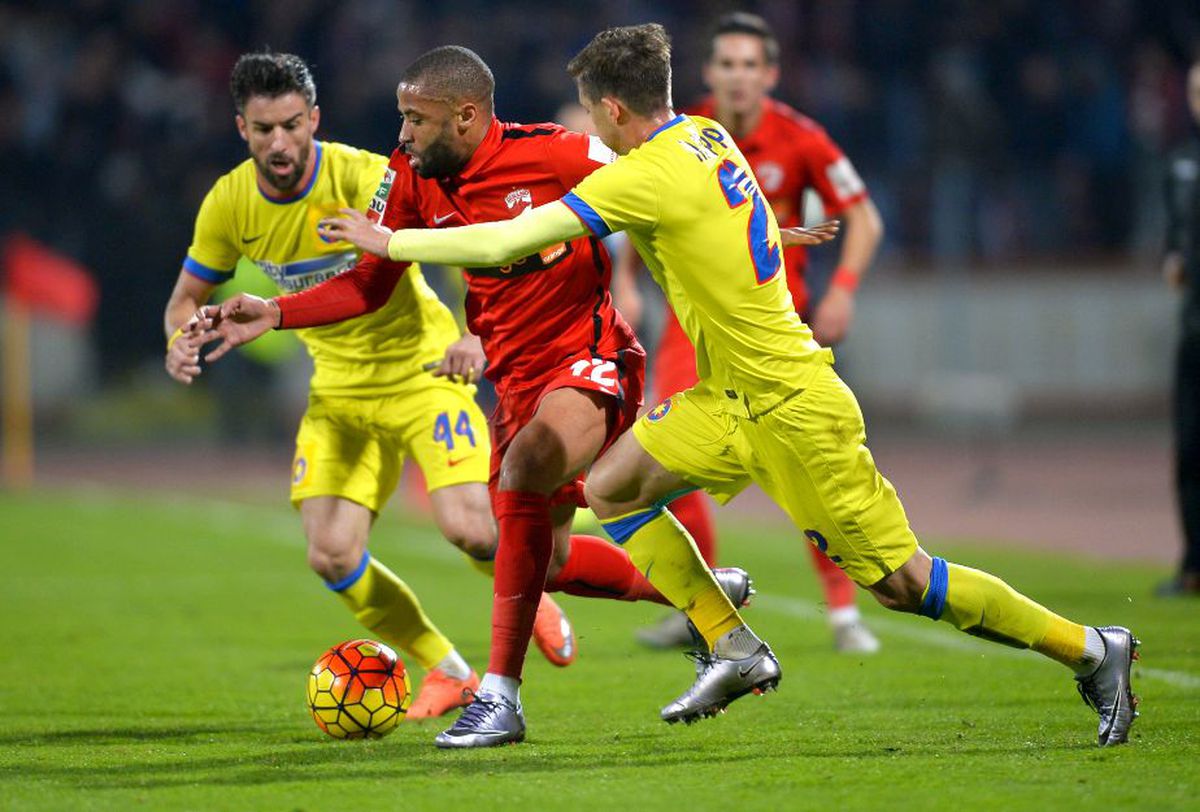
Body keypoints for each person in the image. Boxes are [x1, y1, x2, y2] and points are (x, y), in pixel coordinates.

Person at [297, 24, 1141, 749]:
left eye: (591, 111)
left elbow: (501, 242)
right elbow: (714, 214)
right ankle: (733, 646)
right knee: (615, 487)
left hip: (793, 403)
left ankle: (1091, 649)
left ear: (612, 109)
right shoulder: (705, 136)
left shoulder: (642, 173)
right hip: (726, 398)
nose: (589, 126)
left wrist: (388, 242)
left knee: (904, 584)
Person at [189, 45, 762, 749]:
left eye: (416, 119)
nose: (401, 134)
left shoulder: (552, 153)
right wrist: (276, 311)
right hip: (515, 384)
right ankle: (707, 596)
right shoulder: (408, 175)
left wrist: (738, 229)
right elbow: (369, 284)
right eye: (401, 117)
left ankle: (498, 697)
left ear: (464, 116)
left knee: (521, 477)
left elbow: (663, 178)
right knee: (545, 559)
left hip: (591, 357)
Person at [162, 51, 579, 720]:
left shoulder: (366, 176)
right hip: (338, 393)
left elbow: (464, 237)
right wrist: (179, 337)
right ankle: (449, 671)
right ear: (242, 129)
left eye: (291, 125)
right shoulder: (229, 203)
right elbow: (186, 298)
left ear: (314, 119)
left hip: (422, 371)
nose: (279, 143)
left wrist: (475, 334)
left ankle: (538, 587)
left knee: (473, 530)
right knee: (330, 555)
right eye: (264, 129)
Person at [618, 11, 884, 653]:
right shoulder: (684, 133)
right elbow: (628, 206)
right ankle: (702, 603)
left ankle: (843, 610)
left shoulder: (801, 139)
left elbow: (865, 219)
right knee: (658, 455)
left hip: (776, 335)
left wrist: (843, 290)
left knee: (808, 469)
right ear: (708, 73)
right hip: (694, 332)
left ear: (770, 74)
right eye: (726, 64)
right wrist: (624, 280)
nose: (738, 77)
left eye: (749, 65)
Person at [1160, 59, 1200, 597]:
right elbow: (1175, 241)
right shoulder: (1182, 164)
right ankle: (1194, 565)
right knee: (1190, 447)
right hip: (1193, 327)